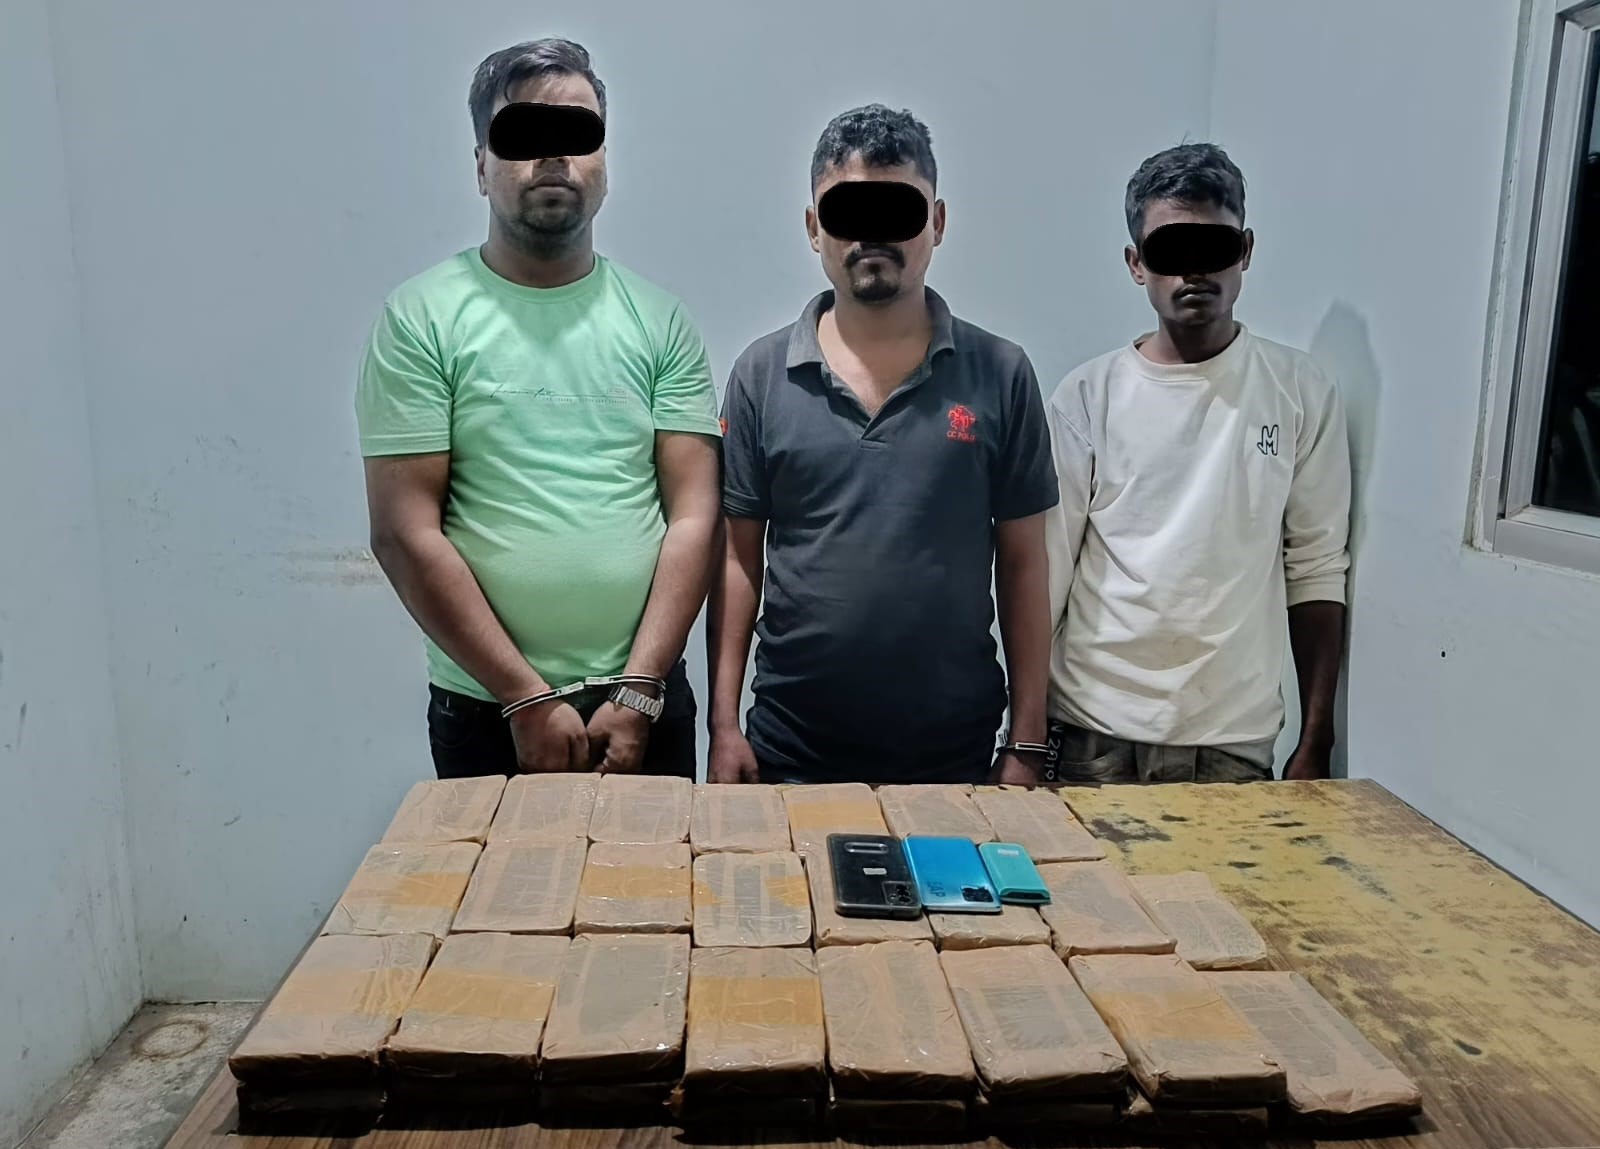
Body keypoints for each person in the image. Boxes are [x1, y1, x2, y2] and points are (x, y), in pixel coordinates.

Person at [356, 38, 721, 780]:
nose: (553, 156)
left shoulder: (662, 321)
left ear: (605, 162)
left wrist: (640, 687)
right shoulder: (421, 319)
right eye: (522, 135)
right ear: (480, 167)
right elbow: (403, 533)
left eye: (577, 134)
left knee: (662, 865)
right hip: (486, 710)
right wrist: (524, 697)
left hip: (645, 701)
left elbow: (694, 516)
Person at [707, 104, 1059, 786]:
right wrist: (724, 727)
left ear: (938, 222)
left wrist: (1027, 742)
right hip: (789, 754)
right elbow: (737, 560)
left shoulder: (1002, 372)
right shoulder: (760, 375)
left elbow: (1023, 565)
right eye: (846, 212)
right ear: (814, 227)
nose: (871, 234)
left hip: (956, 757)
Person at [1044, 143, 1351, 784]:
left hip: (1233, 745)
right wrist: (1021, 734)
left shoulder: (1299, 390)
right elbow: (1045, 575)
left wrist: (1317, 739)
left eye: (1213, 248)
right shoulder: (1087, 397)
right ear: (1136, 264)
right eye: (1169, 251)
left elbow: (1316, 568)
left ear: (1245, 251)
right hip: (1091, 737)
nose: (1193, 272)